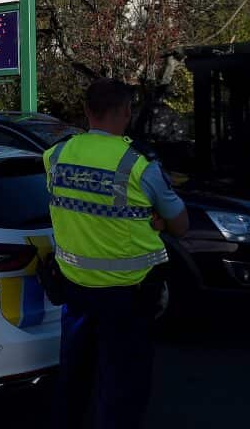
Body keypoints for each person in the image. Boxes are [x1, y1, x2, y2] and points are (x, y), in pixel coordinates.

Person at [46, 79, 189, 429]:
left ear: (85, 111)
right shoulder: (139, 165)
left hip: (75, 289)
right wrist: (156, 221)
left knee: (74, 379)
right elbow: (181, 225)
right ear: (126, 112)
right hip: (128, 295)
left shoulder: (55, 155)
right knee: (122, 387)